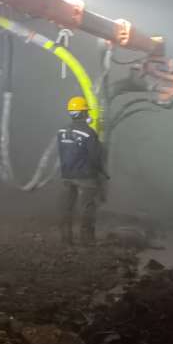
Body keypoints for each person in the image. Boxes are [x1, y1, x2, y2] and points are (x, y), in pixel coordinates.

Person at [57, 95, 106, 245]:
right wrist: (101, 173)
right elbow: (95, 156)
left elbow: (61, 152)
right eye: (86, 111)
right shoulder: (89, 133)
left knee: (67, 208)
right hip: (85, 176)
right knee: (87, 207)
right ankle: (87, 240)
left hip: (67, 175)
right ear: (83, 113)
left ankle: (66, 239)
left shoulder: (62, 131)